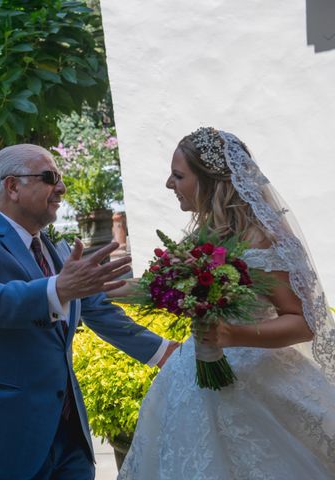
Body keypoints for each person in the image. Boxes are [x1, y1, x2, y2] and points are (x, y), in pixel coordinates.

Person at [0, 144, 179, 479]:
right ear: (12, 187)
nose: (61, 187)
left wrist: (165, 352)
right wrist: (58, 289)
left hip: (66, 435)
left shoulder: (54, 248)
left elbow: (97, 308)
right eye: (50, 177)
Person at [116, 127, 335, 479]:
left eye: (178, 175)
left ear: (211, 182)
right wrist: (95, 288)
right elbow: (157, 286)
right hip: (193, 379)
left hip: (257, 382)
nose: (169, 185)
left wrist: (231, 335)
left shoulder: (265, 240)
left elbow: (303, 322)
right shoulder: (204, 237)